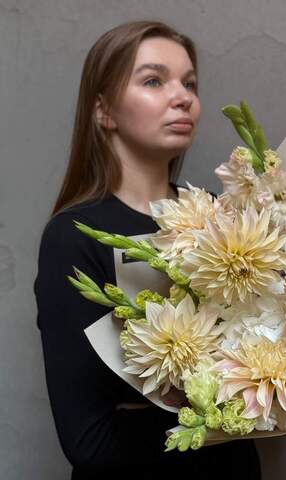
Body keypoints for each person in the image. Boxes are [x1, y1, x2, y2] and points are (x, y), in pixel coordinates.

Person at [33, 20, 261, 480]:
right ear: (104, 112)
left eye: (189, 83)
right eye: (154, 80)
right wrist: (237, 415)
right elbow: (87, 439)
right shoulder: (75, 235)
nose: (184, 98)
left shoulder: (225, 218)